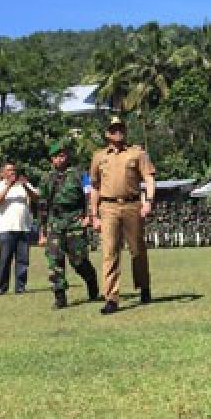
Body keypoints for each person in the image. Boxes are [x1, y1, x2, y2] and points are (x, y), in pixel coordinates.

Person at [89, 116, 156, 314]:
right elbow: (94, 186)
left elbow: (149, 178)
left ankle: (144, 287)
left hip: (132, 205)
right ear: (107, 133)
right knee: (109, 252)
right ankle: (111, 298)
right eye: (113, 129)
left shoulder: (137, 153)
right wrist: (94, 214)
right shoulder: (99, 157)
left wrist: (148, 201)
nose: (118, 132)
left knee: (137, 250)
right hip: (108, 207)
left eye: (121, 128)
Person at [38, 140, 100, 310]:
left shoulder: (80, 174)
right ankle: (60, 296)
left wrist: (89, 215)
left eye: (63, 155)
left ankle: (91, 281)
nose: (61, 158)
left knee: (78, 260)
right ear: (52, 159)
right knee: (54, 261)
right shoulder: (46, 178)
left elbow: (89, 195)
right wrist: (42, 231)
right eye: (57, 156)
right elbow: (42, 205)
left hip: (75, 221)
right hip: (54, 223)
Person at [0, 162, 37, 295]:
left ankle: (20, 287)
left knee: (23, 260)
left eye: (14, 170)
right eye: (9, 170)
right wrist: (9, 185)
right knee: (5, 260)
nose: (12, 172)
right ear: (3, 173)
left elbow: (37, 198)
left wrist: (26, 185)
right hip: (6, 229)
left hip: (23, 228)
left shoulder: (23, 185)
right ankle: (2, 287)